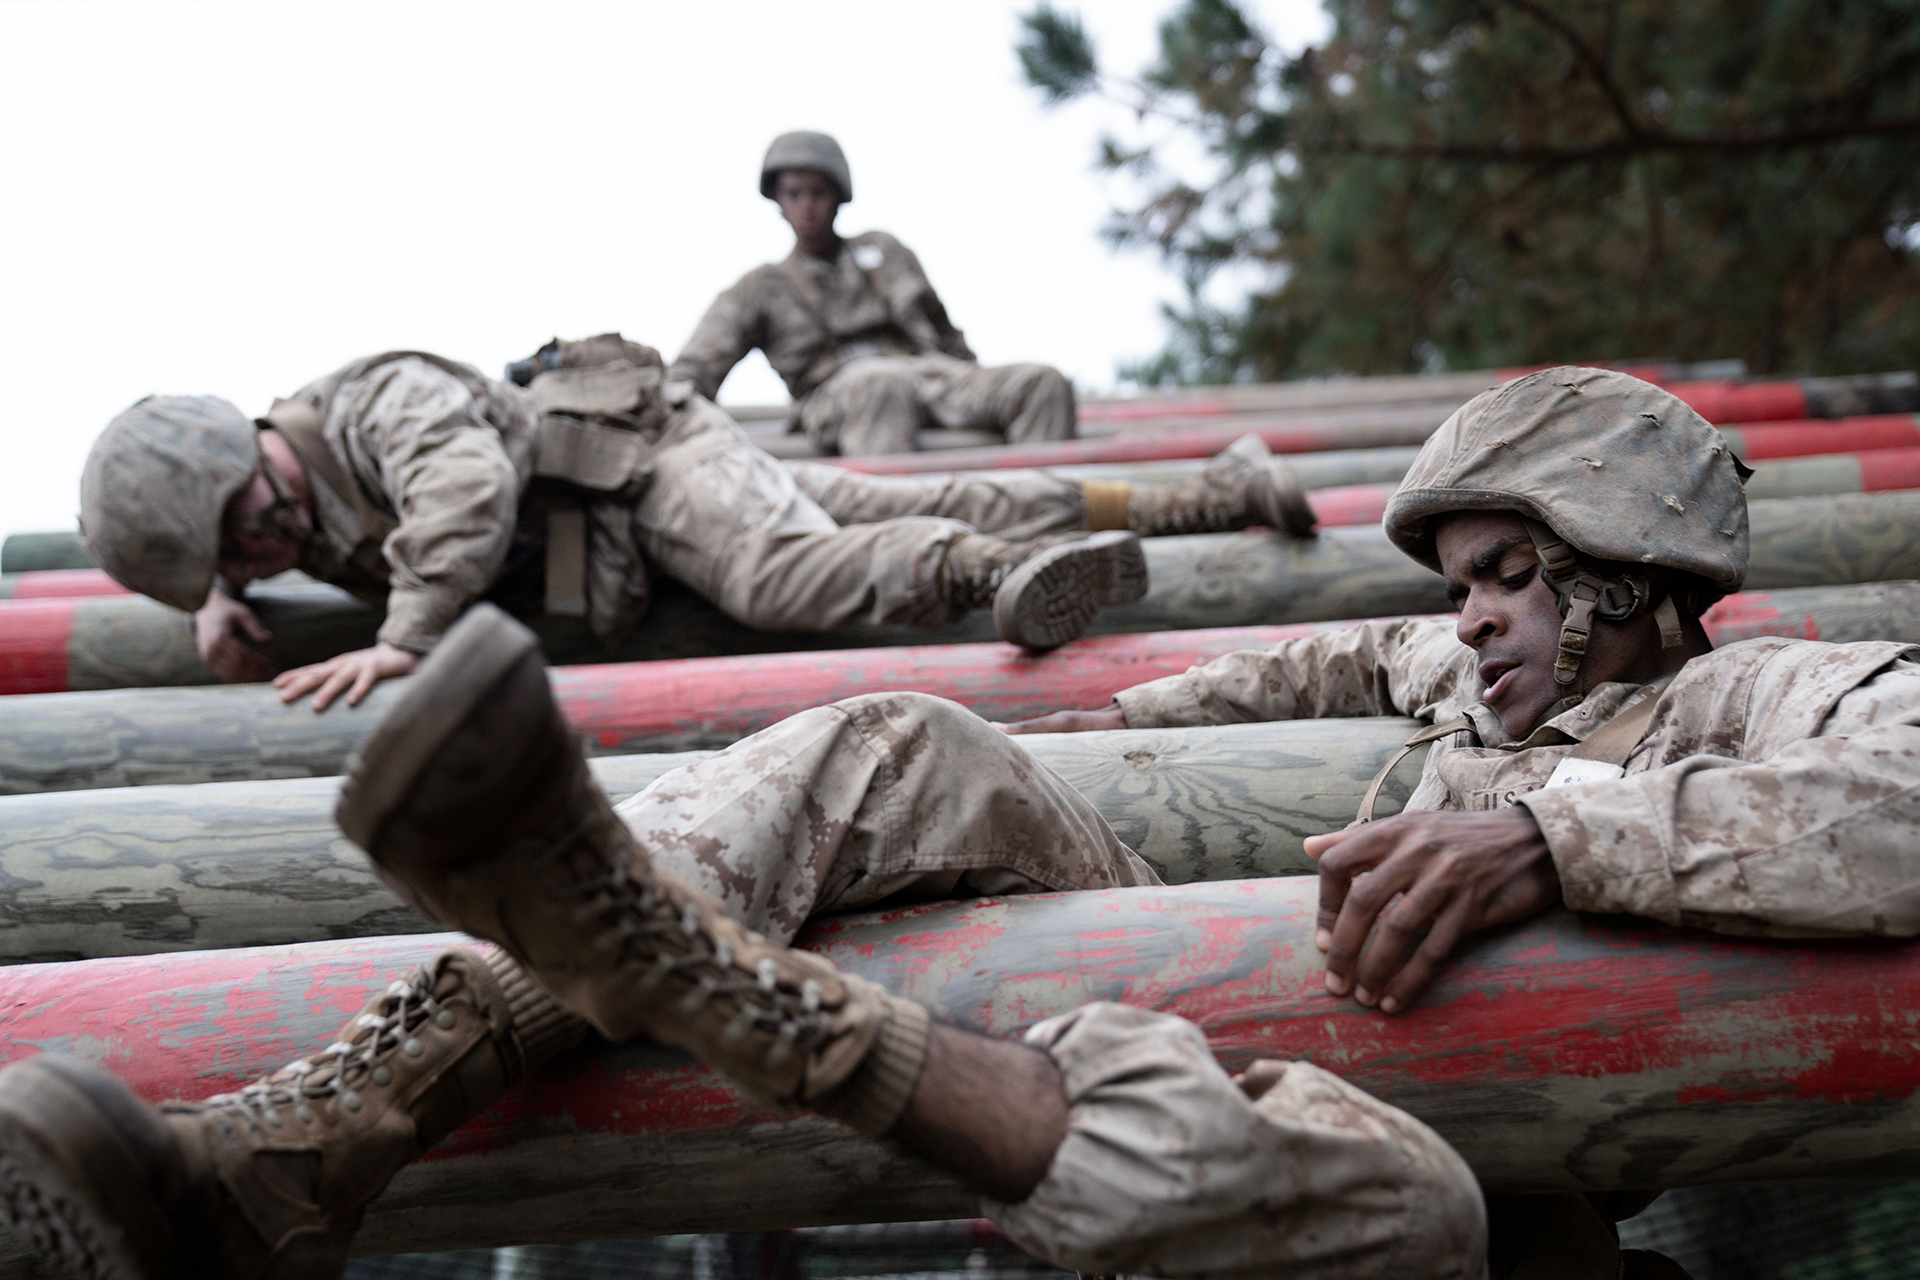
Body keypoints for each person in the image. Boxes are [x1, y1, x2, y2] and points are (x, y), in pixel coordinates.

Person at [26, 366, 1902, 1276]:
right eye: (1463, 581)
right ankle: (313, 1141)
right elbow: (1286, 680)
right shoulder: (1452, 670)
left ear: (1634, 579)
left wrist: (1559, 840)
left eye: (1511, 575)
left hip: (1466, 1224)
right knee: (897, 740)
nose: (1470, 613)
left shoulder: (1741, 695)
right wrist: (1122, 738)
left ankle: (761, 1008)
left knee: (1363, 1189)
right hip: (1208, 1066)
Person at [79, 336, 1311, 711]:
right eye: (231, 557)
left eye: (241, 527)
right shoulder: (256, 537)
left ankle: (1008, 573)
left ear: (241, 441)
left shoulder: (370, 399)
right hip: (633, 504)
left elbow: (460, 489)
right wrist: (216, 598)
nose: (259, 556)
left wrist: (405, 637)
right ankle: (1219, 490)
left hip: (653, 462)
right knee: (926, 495)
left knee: (784, 576)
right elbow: (234, 554)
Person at [667, 131, 1077, 456]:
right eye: (794, 194)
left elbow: (946, 335)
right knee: (881, 384)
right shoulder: (759, 288)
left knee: (1040, 383)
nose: (806, 206)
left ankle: (1044, 520)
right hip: (837, 396)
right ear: (777, 200)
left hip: (929, 375)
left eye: (818, 193)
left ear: (838, 195)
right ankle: (896, 539)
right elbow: (695, 369)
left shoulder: (885, 253)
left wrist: (979, 392)